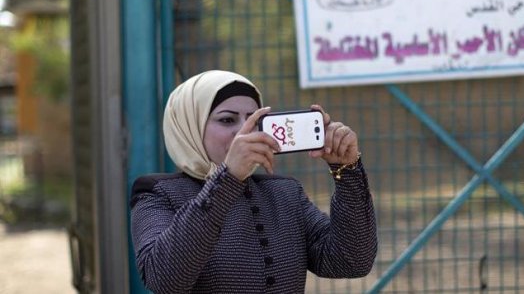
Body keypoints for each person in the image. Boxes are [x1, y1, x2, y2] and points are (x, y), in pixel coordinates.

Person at [130, 70, 377, 293]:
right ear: (189, 127)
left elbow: (351, 260)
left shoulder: (284, 192)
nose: (244, 132)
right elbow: (164, 279)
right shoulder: (156, 193)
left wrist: (346, 170)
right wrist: (227, 179)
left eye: (254, 120)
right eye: (227, 120)